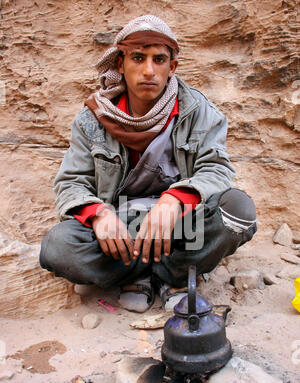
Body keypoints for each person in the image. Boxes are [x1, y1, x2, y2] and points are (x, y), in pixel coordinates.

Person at [39, 15, 257, 313]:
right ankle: (147, 272)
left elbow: (217, 169)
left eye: (159, 59)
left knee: (238, 213)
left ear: (172, 67)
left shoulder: (199, 111)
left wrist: (174, 201)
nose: (148, 71)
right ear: (120, 64)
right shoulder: (93, 118)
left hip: (181, 225)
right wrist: (99, 216)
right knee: (57, 247)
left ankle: (172, 273)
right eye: (138, 58)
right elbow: (71, 183)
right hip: (121, 228)